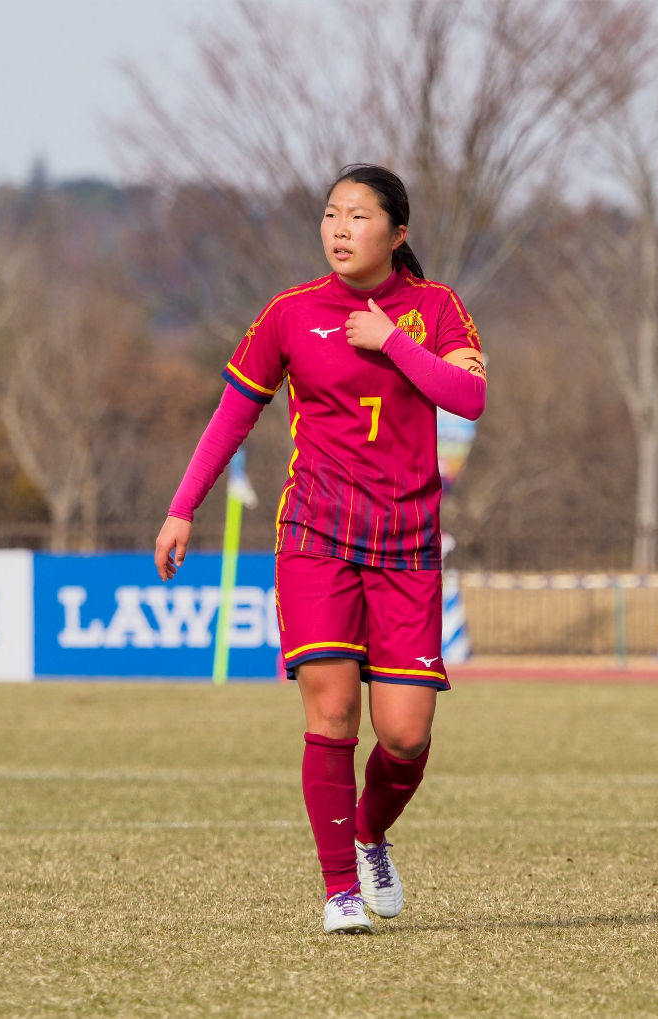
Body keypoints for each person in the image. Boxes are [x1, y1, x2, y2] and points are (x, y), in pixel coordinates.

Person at [154, 164, 486, 934]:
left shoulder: (435, 309)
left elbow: (468, 398)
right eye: (331, 215)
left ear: (398, 233)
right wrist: (181, 508)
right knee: (332, 712)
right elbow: (231, 417)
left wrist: (392, 342)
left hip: (405, 542)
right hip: (316, 534)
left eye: (359, 216)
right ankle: (339, 889)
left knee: (404, 736)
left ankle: (369, 833)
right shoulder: (291, 314)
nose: (340, 229)